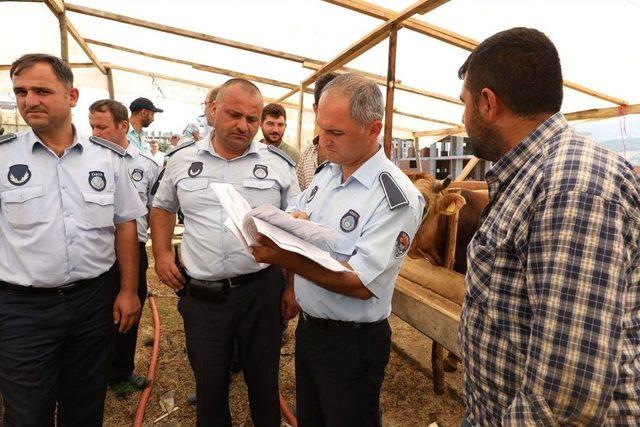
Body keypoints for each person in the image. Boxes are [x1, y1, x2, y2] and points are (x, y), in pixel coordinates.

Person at [457, 28, 640, 426]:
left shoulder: (572, 186)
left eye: (465, 104)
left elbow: (566, 396)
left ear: (487, 103)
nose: (464, 119)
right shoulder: (533, 175)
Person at [252, 73, 424, 426]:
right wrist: (288, 220)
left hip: (352, 345)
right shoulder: (329, 172)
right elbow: (298, 212)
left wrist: (284, 258)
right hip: (312, 331)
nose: (323, 141)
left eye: (336, 133)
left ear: (372, 128)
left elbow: (362, 284)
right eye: (322, 129)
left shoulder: (395, 198)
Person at [0, 53, 145, 425]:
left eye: (42, 91)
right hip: (23, 308)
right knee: (28, 412)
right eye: (21, 91)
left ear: (72, 96)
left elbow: (126, 224)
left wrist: (129, 290)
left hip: (93, 302)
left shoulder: (108, 160)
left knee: (85, 404)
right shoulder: (3, 158)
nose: (29, 100)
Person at [150, 78, 300, 426]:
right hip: (204, 298)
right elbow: (162, 208)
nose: (243, 126)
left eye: (252, 118)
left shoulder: (278, 165)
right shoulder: (181, 160)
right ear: (213, 110)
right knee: (210, 385)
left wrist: (292, 286)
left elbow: (295, 229)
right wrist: (161, 254)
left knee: (263, 383)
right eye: (234, 115)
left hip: (260, 293)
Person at [88, 99, 161, 397]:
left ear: (123, 126)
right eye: (91, 126)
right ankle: (93, 372)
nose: (95, 133)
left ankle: (121, 372)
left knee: (131, 309)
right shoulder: (86, 160)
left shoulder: (147, 165)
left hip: (133, 250)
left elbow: (156, 208)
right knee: (95, 315)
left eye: (102, 127)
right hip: (98, 253)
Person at [296, 72, 336, 190]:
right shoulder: (308, 153)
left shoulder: (349, 156)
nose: (334, 112)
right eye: (328, 106)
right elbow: (297, 196)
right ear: (315, 109)